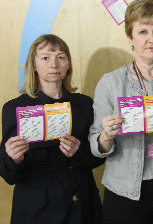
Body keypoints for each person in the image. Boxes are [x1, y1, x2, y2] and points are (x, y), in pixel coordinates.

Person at [88, 0, 153, 224]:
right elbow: (95, 147)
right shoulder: (110, 83)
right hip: (124, 190)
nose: (151, 39)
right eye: (143, 31)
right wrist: (106, 135)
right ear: (130, 37)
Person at [0, 34, 104, 224]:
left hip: (81, 204)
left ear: (68, 65)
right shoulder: (14, 108)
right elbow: (7, 174)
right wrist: (15, 159)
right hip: (35, 207)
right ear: (34, 65)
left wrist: (78, 153)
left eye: (61, 57)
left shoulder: (84, 104)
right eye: (46, 58)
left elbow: (98, 157)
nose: (54, 64)